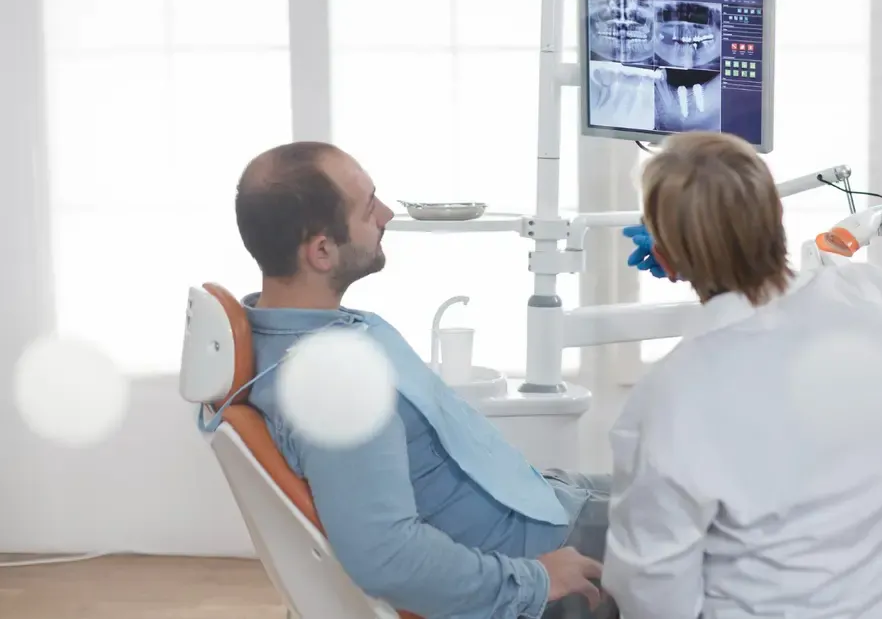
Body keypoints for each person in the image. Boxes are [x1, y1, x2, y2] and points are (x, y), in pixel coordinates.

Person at [232, 141, 616, 619]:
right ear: (322, 250)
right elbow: (388, 557)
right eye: (369, 207)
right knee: (724, 520)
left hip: (544, 502)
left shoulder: (301, 327)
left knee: (680, 487)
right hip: (545, 552)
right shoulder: (335, 389)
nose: (387, 214)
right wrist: (536, 580)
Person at [603, 131, 882, 619]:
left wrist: (689, 253)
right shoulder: (877, 298)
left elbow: (651, 592)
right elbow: (818, 288)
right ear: (779, 214)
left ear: (667, 259)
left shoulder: (671, 397)